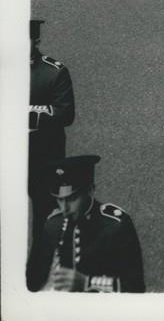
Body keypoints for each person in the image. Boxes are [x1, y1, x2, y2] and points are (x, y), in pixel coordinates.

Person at [27, 154, 145, 293]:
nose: (64, 209)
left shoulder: (116, 225)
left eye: (71, 199)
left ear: (90, 191)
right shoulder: (53, 224)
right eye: (59, 200)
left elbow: (135, 288)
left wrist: (87, 283)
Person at [27, 19, 75, 287]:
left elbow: (65, 113)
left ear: (35, 41)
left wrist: (26, 115)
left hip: (42, 159)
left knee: (44, 221)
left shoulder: (54, 72)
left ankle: (33, 280)